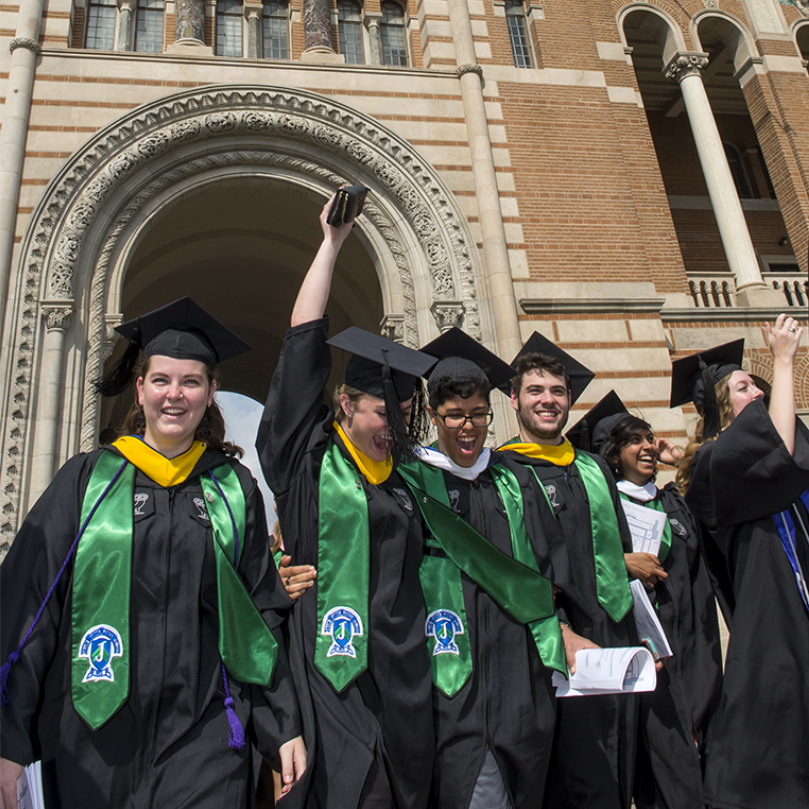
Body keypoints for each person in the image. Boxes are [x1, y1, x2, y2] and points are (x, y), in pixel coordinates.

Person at [0, 297, 305, 809]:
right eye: (161, 380)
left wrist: (283, 725)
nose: (174, 395)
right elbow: (32, 609)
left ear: (211, 394)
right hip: (90, 732)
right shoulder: (88, 479)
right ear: (139, 389)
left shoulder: (232, 489)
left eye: (191, 382)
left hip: (204, 733)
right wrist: (8, 739)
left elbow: (259, 617)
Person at [256, 195, 436, 809]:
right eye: (384, 411)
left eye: (405, 414)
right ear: (347, 405)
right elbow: (303, 349)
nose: (395, 425)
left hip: (406, 676)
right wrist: (331, 245)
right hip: (326, 672)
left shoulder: (412, 482)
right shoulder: (309, 463)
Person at [398, 328, 566, 809]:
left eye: (479, 414)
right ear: (433, 416)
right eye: (454, 416)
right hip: (447, 668)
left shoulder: (514, 481)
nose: (468, 427)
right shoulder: (412, 481)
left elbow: (551, 567)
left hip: (519, 676)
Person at [673, 314, 809, 809]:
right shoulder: (713, 465)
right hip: (770, 612)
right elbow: (776, 449)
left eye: (757, 385)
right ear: (718, 408)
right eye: (743, 387)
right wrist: (783, 359)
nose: (756, 391)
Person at [497, 332, 637, 809]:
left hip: (613, 635)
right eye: (535, 391)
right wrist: (556, 627)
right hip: (550, 644)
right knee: (571, 775)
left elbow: (620, 556)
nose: (548, 400)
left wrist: (644, 637)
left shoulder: (595, 469)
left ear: (570, 399)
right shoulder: (502, 473)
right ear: (514, 399)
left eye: (557, 391)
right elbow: (511, 570)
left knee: (616, 767)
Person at [570, 391, 722, 809]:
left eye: (649, 437)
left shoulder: (671, 501)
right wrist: (619, 562)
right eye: (634, 440)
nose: (647, 447)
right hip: (646, 652)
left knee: (707, 753)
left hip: (695, 651)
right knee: (668, 767)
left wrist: (680, 459)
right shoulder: (601, 510)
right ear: (613, 455)